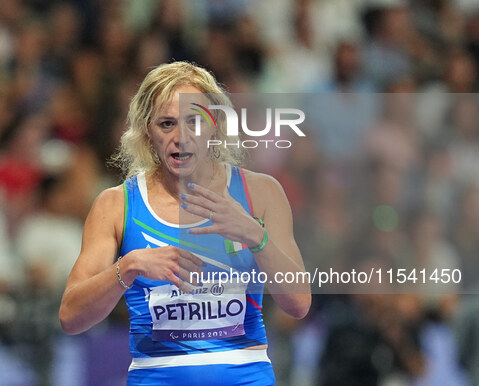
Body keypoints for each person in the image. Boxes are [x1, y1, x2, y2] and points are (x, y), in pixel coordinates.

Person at [59, 61, 311, 385]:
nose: (181, 137)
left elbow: (299, 304)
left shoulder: (260, 193)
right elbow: (70, 317)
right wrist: (130, 265)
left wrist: (254, 235)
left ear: (215, 125)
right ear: (148, 132)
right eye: (167, 124)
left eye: (194, 121)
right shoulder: (116, 205)